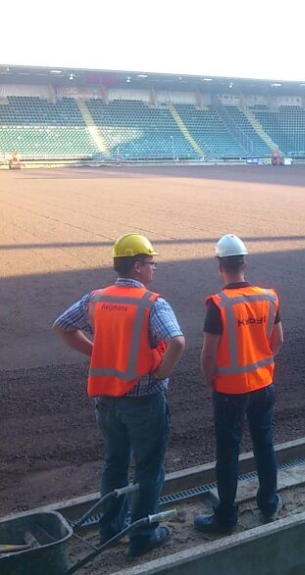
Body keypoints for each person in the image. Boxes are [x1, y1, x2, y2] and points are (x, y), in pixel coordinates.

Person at [52, 233, 185, 558]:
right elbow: (178, 342)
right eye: (151, 263)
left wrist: (96, 351)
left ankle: (110, 531)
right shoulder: (152, 303)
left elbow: (61, 326)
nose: (154, 269)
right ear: (138, 266)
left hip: (106, 402)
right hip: (144, 402)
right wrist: (161, 373)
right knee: (149, 469)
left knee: (114, 464)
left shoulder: (96, 299)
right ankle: (143, 535)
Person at [194, 234, 284, 535]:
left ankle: (226, 517)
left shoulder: (219, 305)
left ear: (219, 265)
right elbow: (278, 340)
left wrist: (212, 379)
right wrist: (260, 361)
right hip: (263, 386)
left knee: (228, 454)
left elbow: (209, 352)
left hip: (229, 391)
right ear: (245, 262)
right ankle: (269, 503)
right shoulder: (268, 297)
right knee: (264, 444)